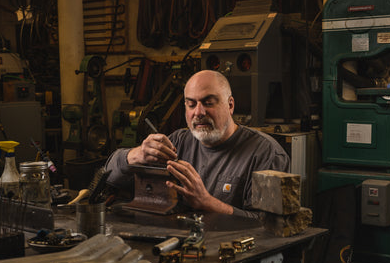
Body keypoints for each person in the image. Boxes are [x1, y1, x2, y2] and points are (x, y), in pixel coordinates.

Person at [105, 70, 290, 219]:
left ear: (230, 105)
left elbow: (269, 227)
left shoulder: (266, 154)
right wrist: (138, 155)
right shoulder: (178, 142)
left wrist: (207, 202)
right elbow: (109, 177)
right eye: (191, 104)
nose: (199, 112)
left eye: (208, 103)